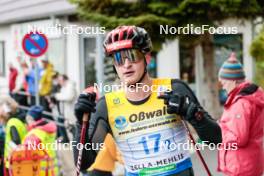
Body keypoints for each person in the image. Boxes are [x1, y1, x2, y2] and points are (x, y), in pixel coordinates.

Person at [74, 26, 222, 176]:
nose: (126, 65)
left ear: (147, 58)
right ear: (114, 66)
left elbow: (216, 139)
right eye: (118, 59)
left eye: (132, 55)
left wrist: (193, 114)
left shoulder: (174, 89)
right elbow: (84, 163)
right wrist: (80, 124)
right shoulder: (106, 106)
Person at [217, 53, 264, 176]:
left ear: (233, 80)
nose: (222, 86)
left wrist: (220, 129)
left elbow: (239, 138)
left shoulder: (241, 103)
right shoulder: (248, 98)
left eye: (223, 82)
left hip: (242, 168)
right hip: (249, 164)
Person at [23, 105, 59, 176]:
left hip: (40, 171)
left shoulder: (33, 134)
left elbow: (27, 156)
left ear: (31, 119)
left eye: (27, 119)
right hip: (52, 170)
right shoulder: (48, 130)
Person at [0, 96, 27, 175]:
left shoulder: (12, 122)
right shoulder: (16, 120)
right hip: (16, 162)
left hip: (15, 163)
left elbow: (16, 143)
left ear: (5, 109)